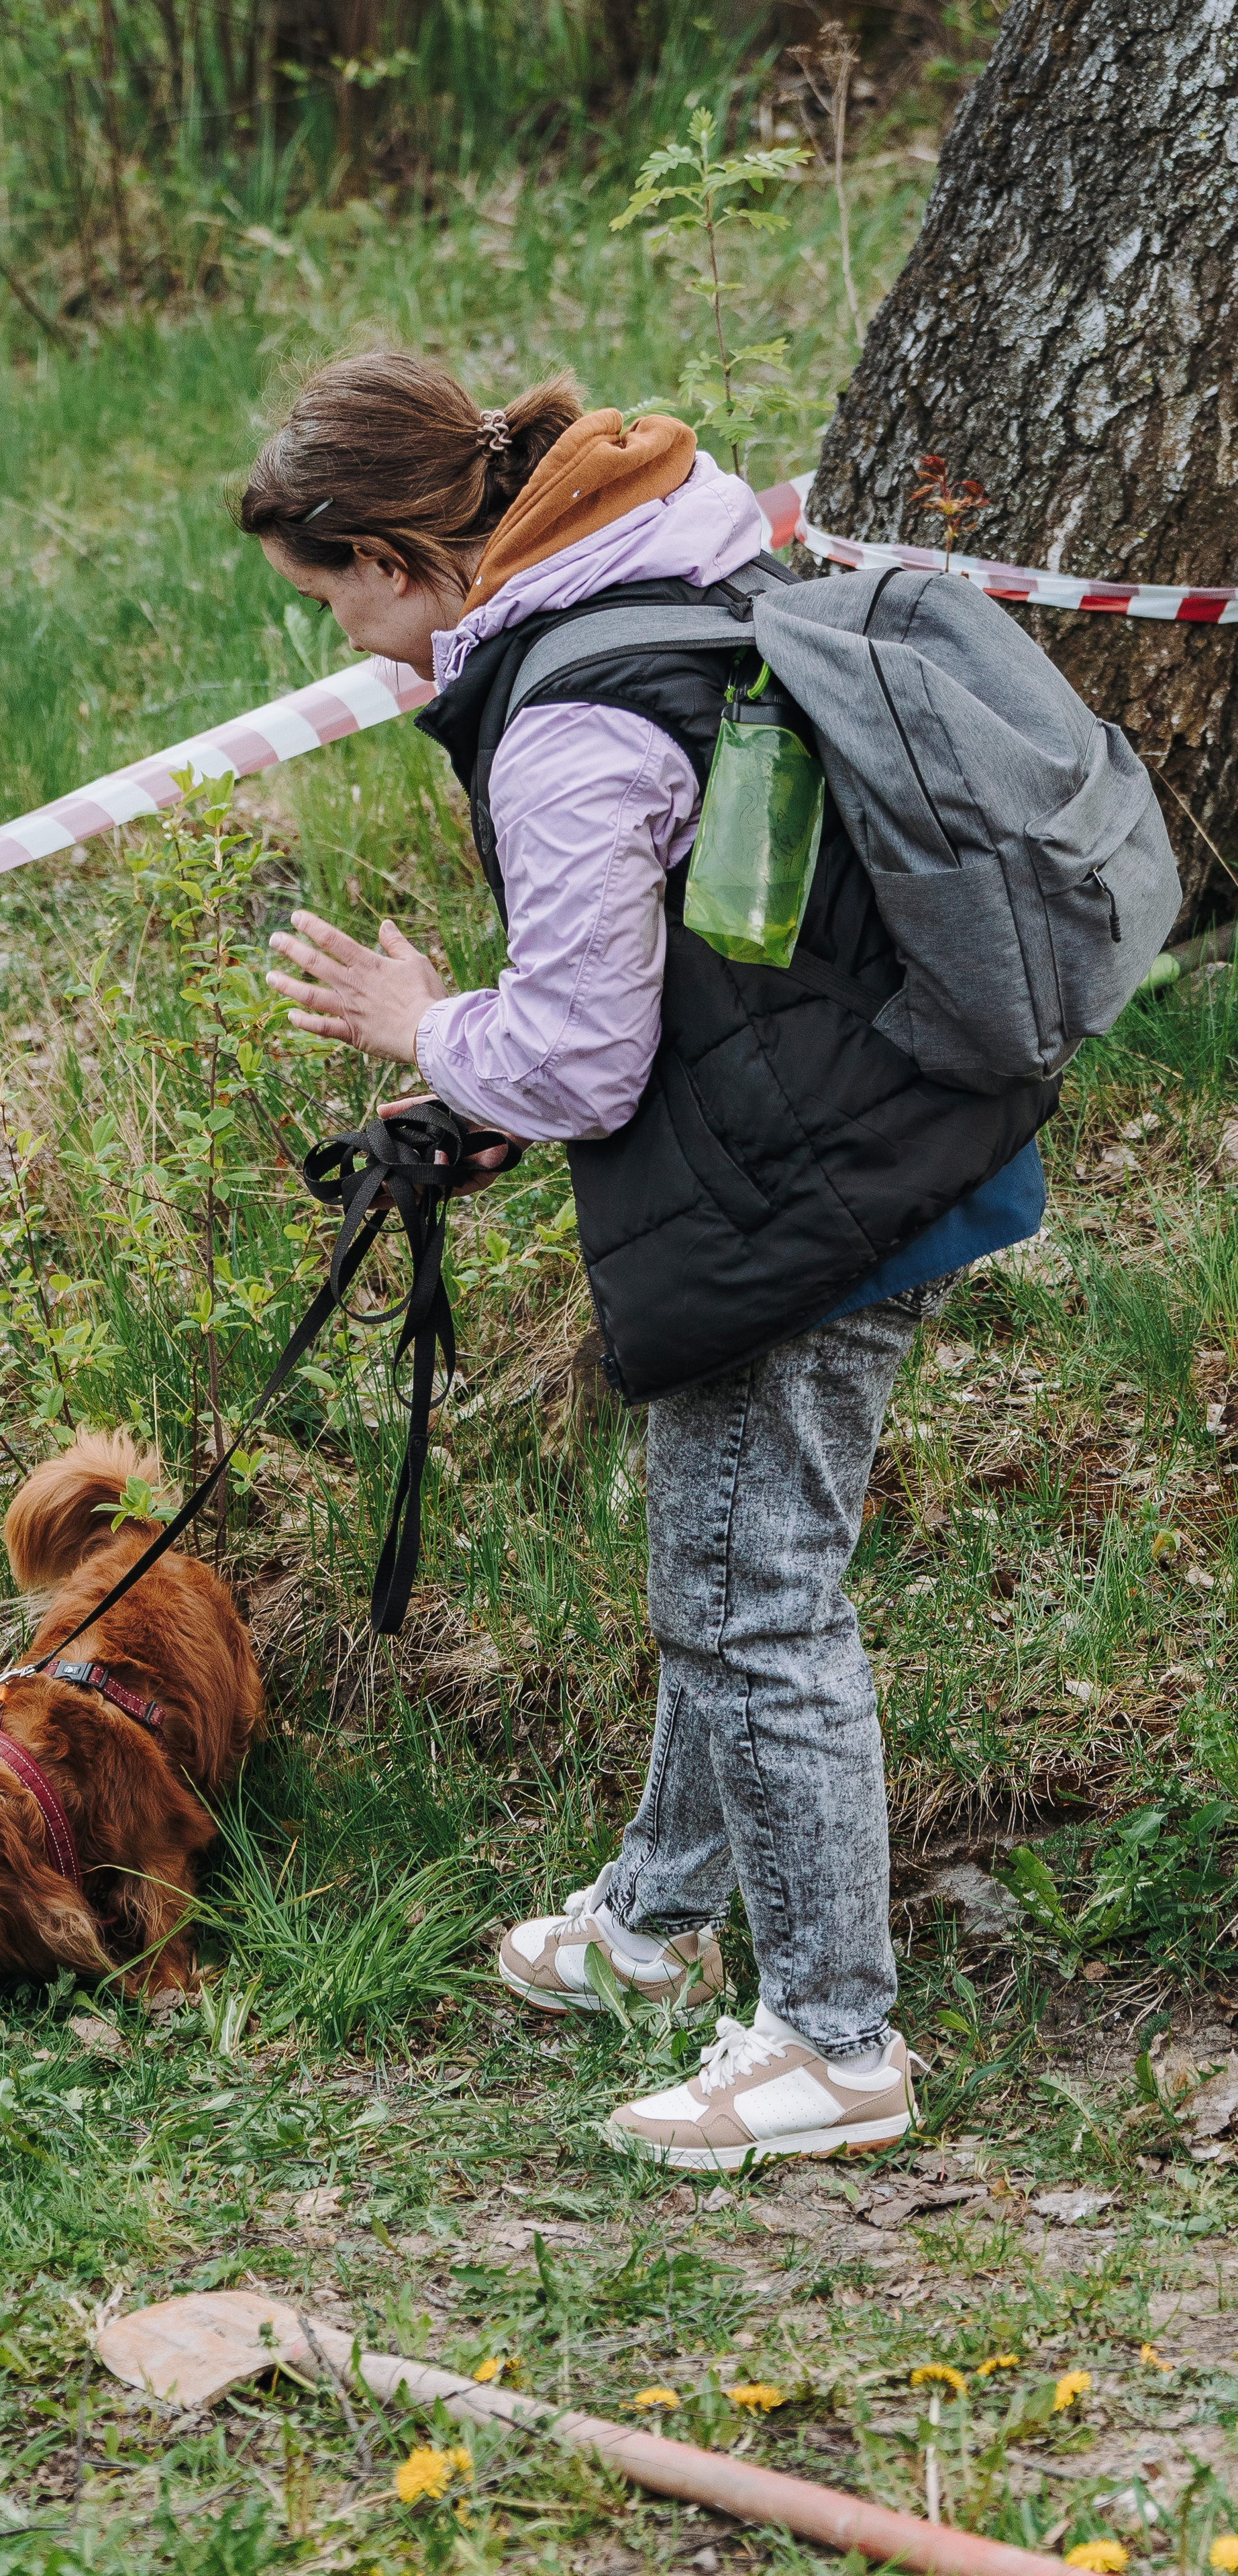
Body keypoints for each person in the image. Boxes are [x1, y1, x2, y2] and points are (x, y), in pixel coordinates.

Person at [238, 352, 1053, 2171]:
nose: (352, 650)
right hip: (882, 1126)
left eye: (338, 599)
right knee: (731, 1559)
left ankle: (836, 2039)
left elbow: (586, 1053)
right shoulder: (661, 560)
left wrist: (424, 1024)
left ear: (397, 551)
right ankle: (658, 1925)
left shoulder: (568, 712)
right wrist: (485, 1063)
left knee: (754, 1601)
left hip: (807, 1195)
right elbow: (691, 951)